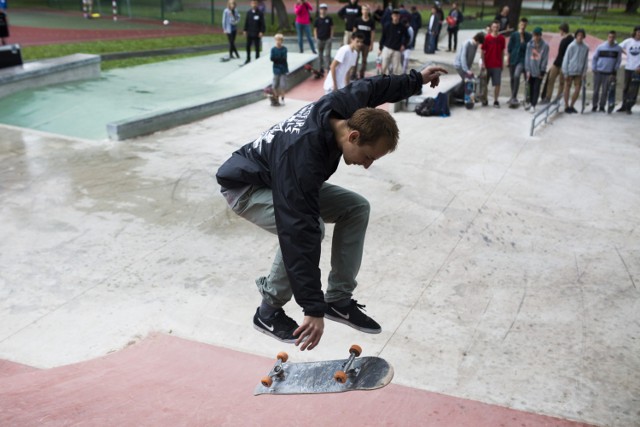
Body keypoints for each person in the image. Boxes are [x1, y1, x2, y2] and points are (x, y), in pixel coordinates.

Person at [216, 65, 447, 351]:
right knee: (310, 227)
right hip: (246, 187)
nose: (367, 164)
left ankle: (337, 300)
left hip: (275, 177)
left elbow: (374, 87)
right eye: (367, 156)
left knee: (356, 207)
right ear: (353, 137)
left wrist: (416, 80)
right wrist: (311, 309)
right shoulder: (303, 157)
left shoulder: (344, 107)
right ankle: (268, 311)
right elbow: (296, 231)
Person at [541, 23, 573, 104]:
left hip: (564, 64)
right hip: (557, 62)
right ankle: (548, 97)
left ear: (563, 30)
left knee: (561, 82)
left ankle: (558, 98)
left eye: (560, 30)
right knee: (550, 78)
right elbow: (560, 53)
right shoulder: (563, 39)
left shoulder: (571, 40)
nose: (560, 32)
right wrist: (554, 63)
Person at [591, 30, 622, 113]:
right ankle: (594, 105)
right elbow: (594, 58)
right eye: (610, 37)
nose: (611, 39)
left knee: (605, 91)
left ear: (615, 38)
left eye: (613, 37)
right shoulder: (601, 47)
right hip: (599, 71)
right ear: (607, 37)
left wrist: (614, 71)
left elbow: (618, 61)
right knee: (596, 90)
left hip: (609, 73)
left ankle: (602, 106)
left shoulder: (618, 49)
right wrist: (594, 68)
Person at [562, 28, 589, 114]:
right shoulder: (571, 46)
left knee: (577, 88)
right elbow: (566, 59)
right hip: (570, 70)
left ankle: (572, 105)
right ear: (576, 36)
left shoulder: (585, 47)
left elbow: (585, 60)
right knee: (567, 88)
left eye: (581, 36)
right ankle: (566, 105)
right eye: (578, 35)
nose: (580, 37)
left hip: (579, 72)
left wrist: (584, 71)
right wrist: (565, 72)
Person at [506, 18, 532, 108]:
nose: (523, 27)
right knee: (512, 78)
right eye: (521, 25)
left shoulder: (528, 36)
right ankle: (513, 97)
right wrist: (508, 59)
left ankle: (514, 97)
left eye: (525, 25)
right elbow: (509, 48)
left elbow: (526, 48)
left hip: (522, 60)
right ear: (519, 25)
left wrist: (521, 37)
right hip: (513, 59)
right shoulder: (513, 35)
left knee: (517, 75)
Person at [481, 20, 506, 107]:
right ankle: (485, 99)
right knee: (485, 83)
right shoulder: (487, 38)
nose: (496, 29)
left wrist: (502, 63)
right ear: (491, 27)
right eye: (494, 27)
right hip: (487, 64)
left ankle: (496, 100)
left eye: (497, 27)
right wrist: (483, 63)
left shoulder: (502, 38)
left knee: (497, 84)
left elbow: (502, 51)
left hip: (497, 64)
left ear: (499, 28)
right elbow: (482, 51)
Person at [524, 27, 548, 113]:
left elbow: (545, 59)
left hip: (539, 70)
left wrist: (542, 70)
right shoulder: (529, 45)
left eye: (538, 36)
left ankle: (534, 104)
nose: (536, 38)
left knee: (536, 87)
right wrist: (527, 69)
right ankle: (530, 102)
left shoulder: (545, 46)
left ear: (540, 36)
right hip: (530, 69)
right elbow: (527, 57)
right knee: (530, 86)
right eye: (534, 35)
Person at [379, 9, 409, 75]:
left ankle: (394, 83)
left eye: (397, 16)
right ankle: (382, 81)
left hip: (397, 50)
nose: (395, 17)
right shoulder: (387, 25)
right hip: (387, 48)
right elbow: (383, 37)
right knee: (384, 67)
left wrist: (404, 45)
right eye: (394, 15)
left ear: (399, 16)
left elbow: (407, 37)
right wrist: (380, 48)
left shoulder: (402, 27)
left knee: (396, 69)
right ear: (392, 16)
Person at [618, 26, 640, 114]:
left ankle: (629, 106)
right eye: (638, 32)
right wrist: (625, 52)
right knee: (626, 87)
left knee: (634, 88)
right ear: (635, 32)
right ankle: (624, 105)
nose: (639, 34)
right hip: (628, 67)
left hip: (637, 69)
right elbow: (619, 47)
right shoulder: (628, 41)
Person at [354, 4, 375, 79]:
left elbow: (372, 33)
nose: (365, 11)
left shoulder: (371, 21)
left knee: (364, 60)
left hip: (366, 43)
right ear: (361, 11)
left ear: (368, 11)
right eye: (364, 9)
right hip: (357, 43)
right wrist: (354, 42)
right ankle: (353, 73)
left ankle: (361, 74)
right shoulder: (357, 20)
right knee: (355, 58)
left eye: (366, 10)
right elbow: (354, 31)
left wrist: (371, 44)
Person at [314, 3, 334, 77]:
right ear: (319, 10)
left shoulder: (329, 19)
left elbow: (332, 28)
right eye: (321, 9)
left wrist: (331, 37)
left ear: (326, 10)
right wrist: (316, 37)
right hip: (319, 39)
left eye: (324, 9)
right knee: (320, 54)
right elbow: (315, 29)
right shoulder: (317, 19)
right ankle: (320, 69)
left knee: (327, 54)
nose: (323, 11)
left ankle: (328, 68)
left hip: (327, 39)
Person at [243, 0, 265, 64]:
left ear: (257, 4)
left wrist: (261, 31)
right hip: (249, 32)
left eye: (255, 3)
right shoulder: (249, 12)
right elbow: (246, 22)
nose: (254, 4)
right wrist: (245, 30)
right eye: (252, 3)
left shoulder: (260, 13)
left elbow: (262, 24)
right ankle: (248, 58)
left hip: (257, 33)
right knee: (248, 46)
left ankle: (257, 59)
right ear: (251, 4)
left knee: (257, 47)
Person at [270, 34, 288, 107]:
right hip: (276, 69)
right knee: (274, 85)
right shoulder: (273, 49)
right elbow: (272, 58)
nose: (278, 42)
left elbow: (284, 58)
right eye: (277, 40)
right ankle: (276, 98)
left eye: (279, 40)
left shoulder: (284, 49)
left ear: (282, 41)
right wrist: (278, 58)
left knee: (282, 85)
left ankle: (282, 98)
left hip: (283, 69)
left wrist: (277, 58)